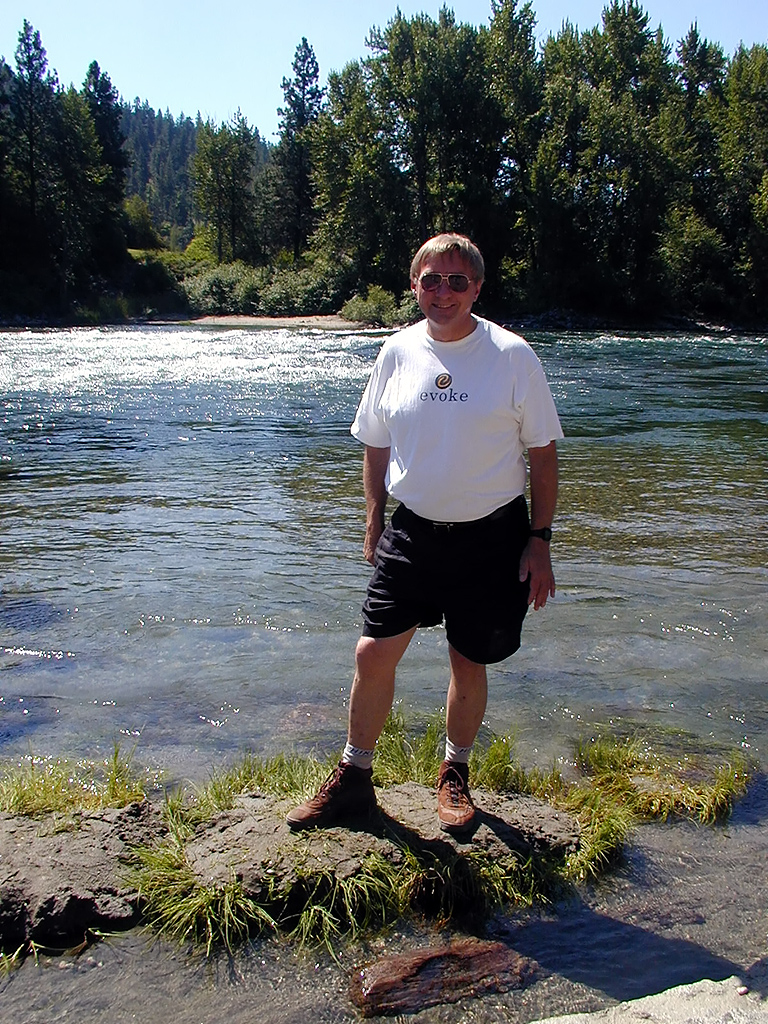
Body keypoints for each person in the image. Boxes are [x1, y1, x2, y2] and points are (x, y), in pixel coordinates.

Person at [287, 233, 563, 835]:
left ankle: (454, 773)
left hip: (492, 539)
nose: (443, 292)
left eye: (457, 281)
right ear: (414, 286)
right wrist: (373, 516)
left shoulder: (512, 355)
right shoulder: (395, 351)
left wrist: (539, 538)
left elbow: (542, 456)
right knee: (372, 650)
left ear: (478, 289)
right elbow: (375, 441)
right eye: (431, 280)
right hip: (412, 534)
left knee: (468, 661)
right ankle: (355, 778)